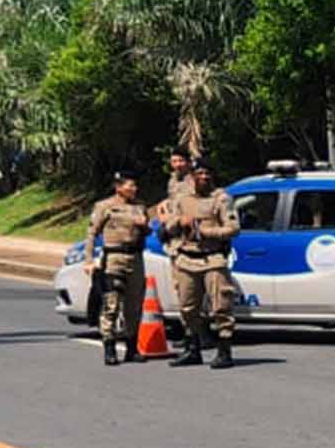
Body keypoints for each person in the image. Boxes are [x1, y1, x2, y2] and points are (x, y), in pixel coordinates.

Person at [162, 155, 240, 368]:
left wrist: (205, 231)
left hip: (212, 258)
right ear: (193, 177)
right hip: (187, 259)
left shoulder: (221, 198)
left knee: (220, 307)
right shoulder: (183, 199)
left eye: (207, 173)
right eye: (200, 174)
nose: (204, 177)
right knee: (187, 307)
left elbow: (233, 228)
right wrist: (179, 221)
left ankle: (224, 351)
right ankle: (192, 349)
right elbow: (168, 225)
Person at [84, 171, 149, 366]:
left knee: (134, 305)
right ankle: (110, 347)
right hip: (113, 258)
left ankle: (132, 347)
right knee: (111, 304)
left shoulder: (140, 206)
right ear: (119, 187)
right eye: (130, 186)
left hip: (135, 258)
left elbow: (147, 231)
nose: (134, 189)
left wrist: (145, 226)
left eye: (135, 186)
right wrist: (88, 260)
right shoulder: (105, 206)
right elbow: (91, 233)